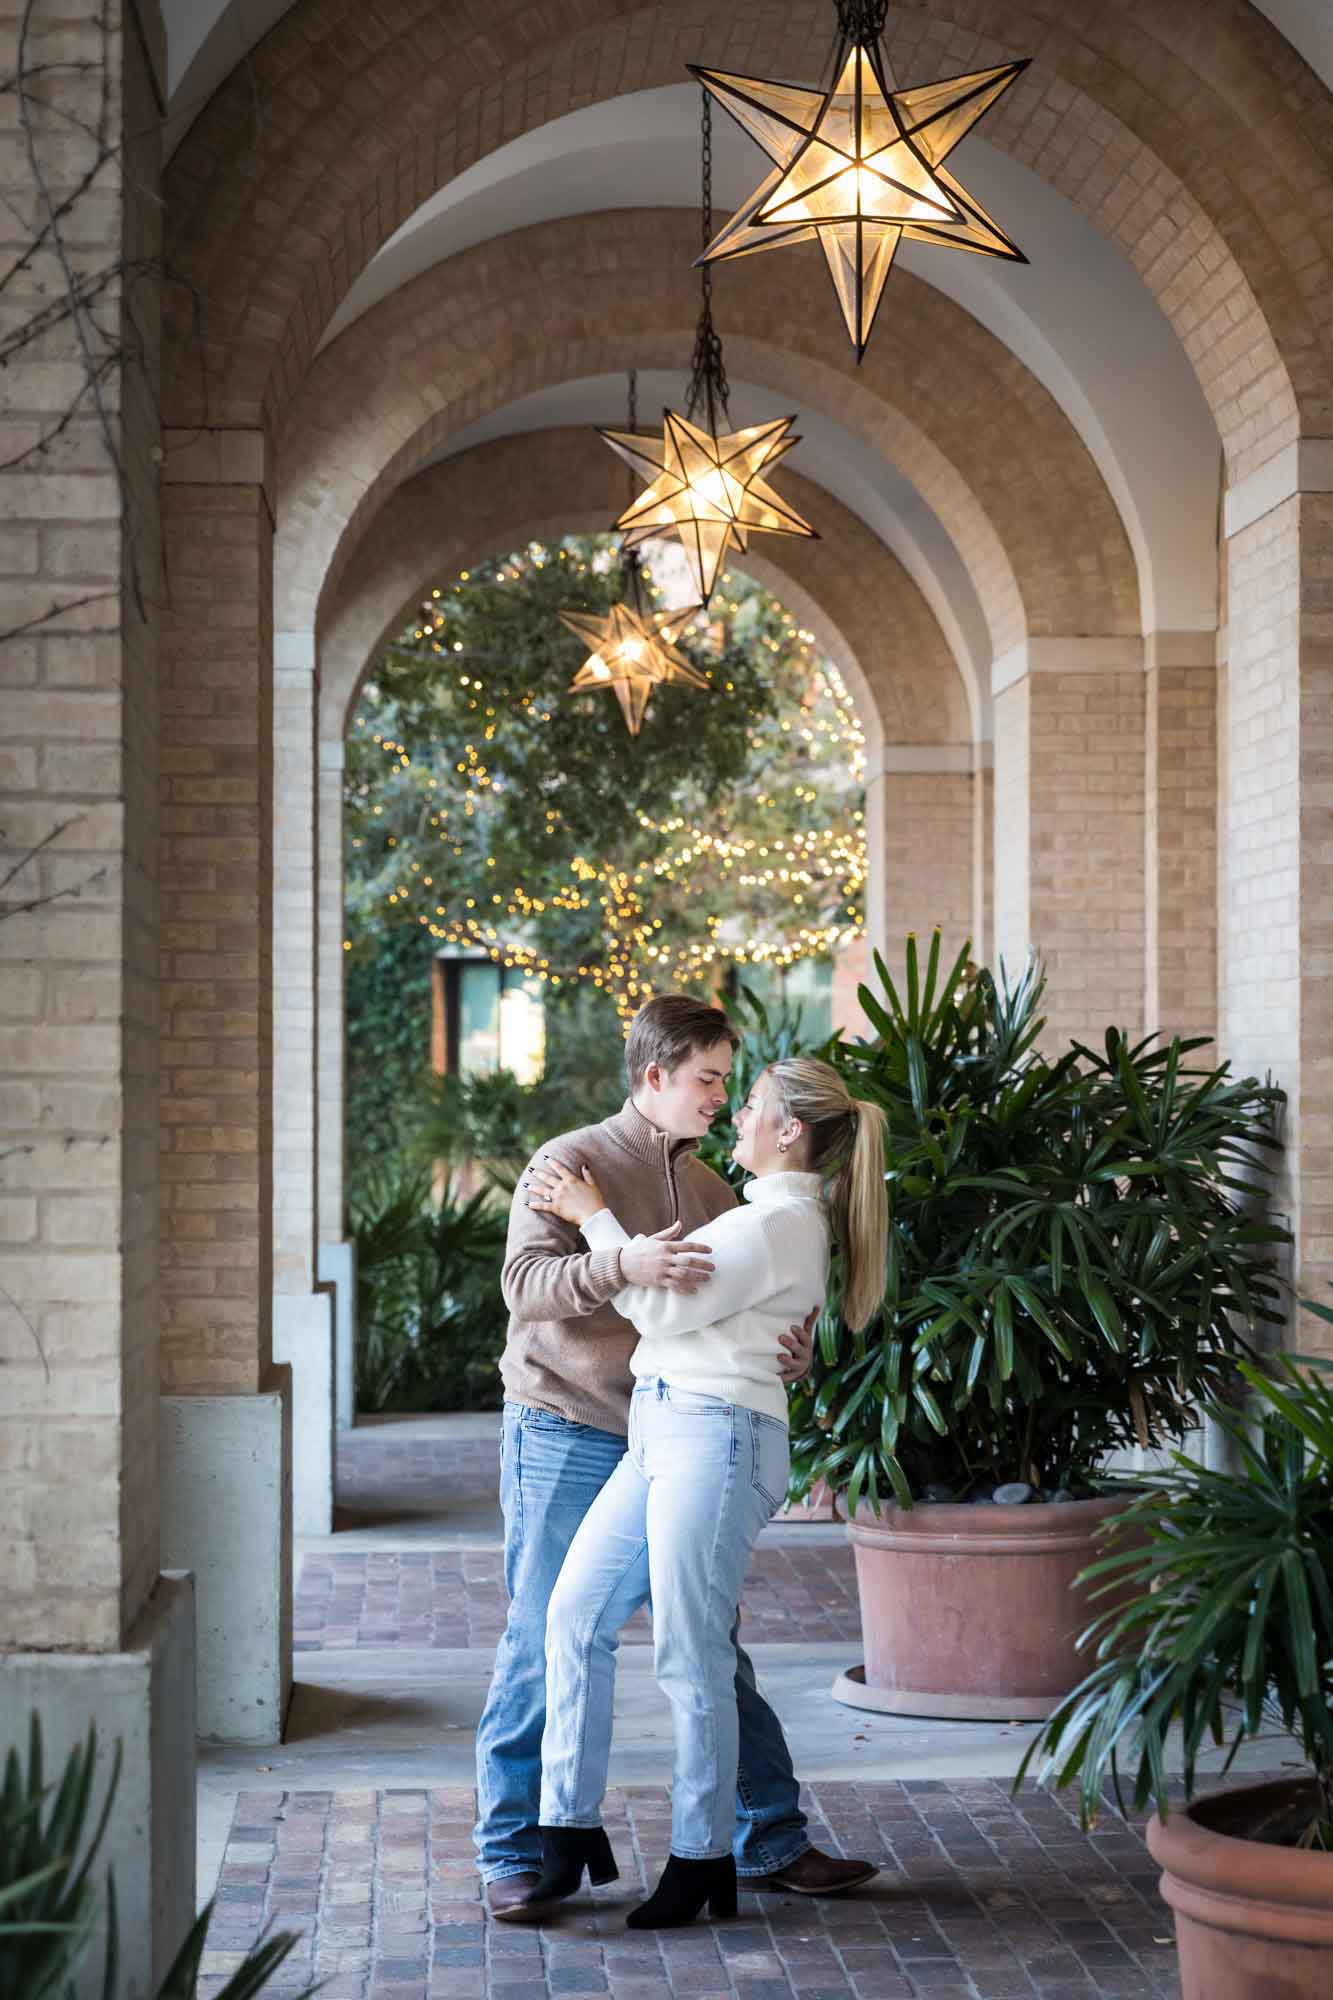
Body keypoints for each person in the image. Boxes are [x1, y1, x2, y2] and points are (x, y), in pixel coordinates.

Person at [474, 995, 879, 1917]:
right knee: (545, 1635)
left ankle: (762, 1838)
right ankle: (517, 1848)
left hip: (681, 1435)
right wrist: (617, 1259)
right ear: (655, 1076)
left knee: (710, 1651)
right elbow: (525, 1287)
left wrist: (793, 1342)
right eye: (707, 1080)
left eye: (732, 1085)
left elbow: (750, 1297)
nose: (720, 1099)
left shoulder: (718, 1189)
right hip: (568, 1427)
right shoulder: (570, 1162)